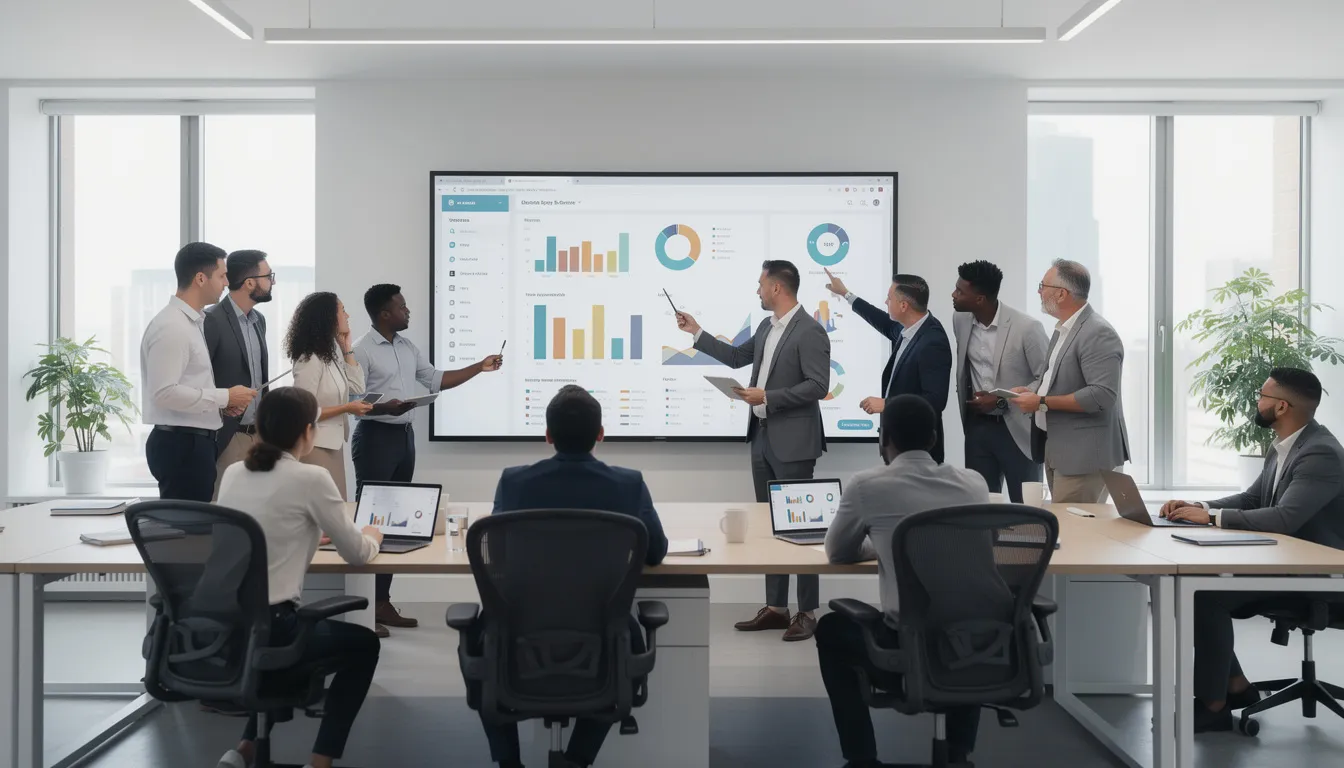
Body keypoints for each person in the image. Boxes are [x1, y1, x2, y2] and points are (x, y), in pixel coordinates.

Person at [467, 384, 668, 768]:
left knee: (478, 644)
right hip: (602, 635)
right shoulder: (629, 483)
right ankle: (576, 760)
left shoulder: (513, 482)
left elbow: (500, 556)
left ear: (547, 436)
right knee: (626, 643)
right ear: (601, 434)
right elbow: (655, 552)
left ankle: (509, 762)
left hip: (518, 631)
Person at [1160, 368, 1344, 732]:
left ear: (1280, 406)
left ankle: (1214, 707)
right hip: (1288, 564)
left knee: (1205, 595)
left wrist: (1211, 520)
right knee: (1201, 586)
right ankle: (1237, 688)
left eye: (1261, 395)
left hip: (1320, 575)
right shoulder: (1288, 445)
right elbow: (1252, 498)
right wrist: (1197, 507)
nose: (1255, 400)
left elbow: (1285, 518)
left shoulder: (1320, 452)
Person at [215, 387, 383, 768]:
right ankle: (320, 762)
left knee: (278, 651)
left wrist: (304, 529)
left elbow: (263, 526)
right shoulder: (313, 477)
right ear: (308, 432)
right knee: (364, 646)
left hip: (224, 628)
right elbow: (356, 554)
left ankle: (244, 751)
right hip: (276, 627)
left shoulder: (234, 472)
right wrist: (372, 537)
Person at [818, 395, 989, 768]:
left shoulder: (868, 485)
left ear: (885, 439)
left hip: (905, 650)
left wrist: (884, 542)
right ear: (932, 439)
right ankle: (958, 753)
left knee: (831, 628)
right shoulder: (974, 483)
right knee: (961, 619)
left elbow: (838, 553)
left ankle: (861, 758)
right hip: (978, 647)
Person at [675, 260, 830, 641]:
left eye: (760, 284)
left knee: (803, 530)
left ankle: (807, 612)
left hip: (794, 442)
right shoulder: (766, 327)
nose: (757, 290)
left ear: (777, 288)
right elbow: (735, 358)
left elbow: (817, 385)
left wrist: (768, 396)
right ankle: (777, 608)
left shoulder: (809, 330)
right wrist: (697, 332)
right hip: (761, 437)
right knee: (768, 527)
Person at [351, 284, 504, 638]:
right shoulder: (361, 350)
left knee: (396, 524)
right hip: (375, 438)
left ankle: (383, 601)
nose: (408, 312)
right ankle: (366, 609)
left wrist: (479, 367)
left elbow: (435, 379)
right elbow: (353, 399)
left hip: (404, 438)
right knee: (371, 521)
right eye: (401, 307)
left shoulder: (406, 347)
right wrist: (383, 407)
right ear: (384, 314)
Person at [140, 242, 256, 502]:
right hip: (182, 445)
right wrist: (225, 397)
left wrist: (220, 407)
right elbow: (164, 392)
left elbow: (186, 385)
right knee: (188, 534)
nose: (227, 283)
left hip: (192, 442)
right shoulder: (172, 326)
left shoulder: (191, 322)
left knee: (196, 530)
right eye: (222, 275)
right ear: (201, 278)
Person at [1011, 259, 1129, 503]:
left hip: (1084, 458)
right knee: (1069, 533)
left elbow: (1102, 395)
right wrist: (1030, 390)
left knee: (1079, 536)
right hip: (1060, 451)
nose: (1039, 291)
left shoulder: (1097, 332)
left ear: (1062, 294)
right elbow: (1051, 379)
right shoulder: (1063, 329)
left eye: (1043, 285)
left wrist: (1041, 401)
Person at [824, 270, 952, 463]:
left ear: (903, 305)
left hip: (918, 452)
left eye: (889, 298)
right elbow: (881, 320)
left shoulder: (932, 341)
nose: (886, 302)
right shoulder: (909, 328)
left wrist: (887, 404)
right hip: (898, 447)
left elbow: (935, 400)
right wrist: (846, 294)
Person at [950, 260, 1049, 502]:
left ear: (980, 299)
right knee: (980, 506)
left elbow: (1046, 378)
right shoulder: (960, 320)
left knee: (1025, 509)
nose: (953, 295)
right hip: (977, 428)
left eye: (960, 291)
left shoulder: (1027, 328)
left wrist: (1004, 399)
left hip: (1018, 429)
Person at [287, 292, 373, 499]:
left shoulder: (328, 356)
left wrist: (346, 349)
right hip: (314, 447)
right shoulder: (310, 359)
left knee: (336, 506)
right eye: (343, 310)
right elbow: (303, 412)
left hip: (332, 445)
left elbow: (357, 386)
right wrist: (346, 408)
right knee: (326, 509)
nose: (348, 316)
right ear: (327, 317)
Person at [204, 250, 274, 497]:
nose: (273, 281)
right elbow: (201, 378)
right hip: (227, 437)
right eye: (269, 276)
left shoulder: (259, 320)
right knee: (226, 512)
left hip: (258, 436)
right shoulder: (210, 320)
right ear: (250, 283)